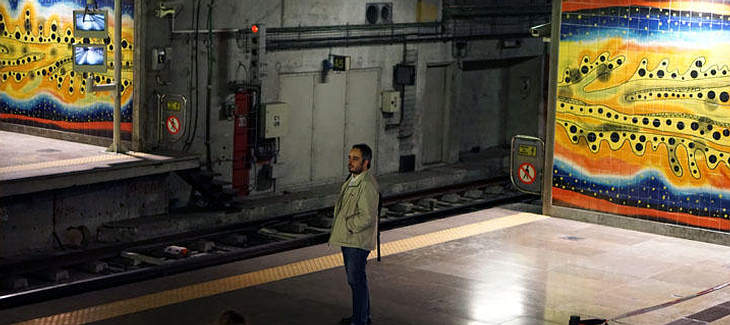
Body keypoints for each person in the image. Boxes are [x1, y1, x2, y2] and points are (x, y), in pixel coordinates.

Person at [329, 144, 379, 325]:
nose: (350, 162)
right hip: (351, 239)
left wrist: (349, 226)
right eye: (349, 157)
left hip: (356, 241)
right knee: (357, 281)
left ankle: (360, 320)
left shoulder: (365, 185)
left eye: (355, 159)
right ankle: (362, 316)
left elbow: (367, 216)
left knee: (356, 281)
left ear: (366, 162)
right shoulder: (353, 179)